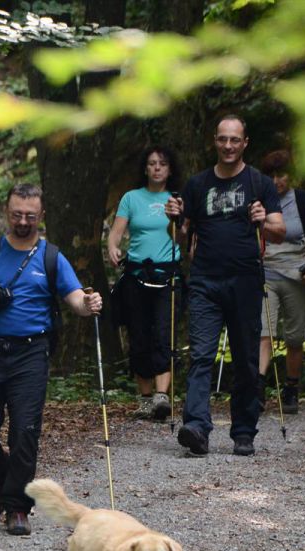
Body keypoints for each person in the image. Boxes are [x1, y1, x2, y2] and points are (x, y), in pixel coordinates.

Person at [0, 184, 102, 536]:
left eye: (30, 216)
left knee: (24, 431)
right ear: (7, 212)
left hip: (31, 352)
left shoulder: (51, 258)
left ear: (41, 216)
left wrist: (87, 304)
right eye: (17, 214)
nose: (23, 222)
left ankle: (17, 507)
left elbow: (74, 297)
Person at [165, 114, 285, 457]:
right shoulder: (198, 184)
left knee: (246, 358)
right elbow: (182, 233)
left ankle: (244, 431)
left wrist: (265, 221)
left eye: (235, 140)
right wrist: (174, 218)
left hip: (246, 280)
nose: (228, 146)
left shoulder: (259, 183)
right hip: (205, 280)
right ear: (214, 142)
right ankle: (197, 428)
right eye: (222, 139)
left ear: (245, 143)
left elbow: (279, 229)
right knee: (201, 354)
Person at [107, 146, 183, 421]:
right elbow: (116, 233)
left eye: (162, 164)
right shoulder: (131, 198)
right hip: (137, 274)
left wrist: (179, 218)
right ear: (145, 168)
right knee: (139, 336)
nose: (157, 168)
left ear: (170, 168)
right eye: (152, 164)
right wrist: (113, 248)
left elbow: (185, 236)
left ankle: (162, 396)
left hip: (167, 274)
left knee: (164, 333)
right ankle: (144, 397)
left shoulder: (177, 199)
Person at [257, 150, 305, 415]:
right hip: (266, 272)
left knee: (295, 337)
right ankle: (259, 386)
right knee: (264, 332)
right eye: (272, 175)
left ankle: (291, 388)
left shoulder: (302, 200)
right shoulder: (259, 202)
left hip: (297, 273)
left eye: (282, 174)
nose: (277, 181)